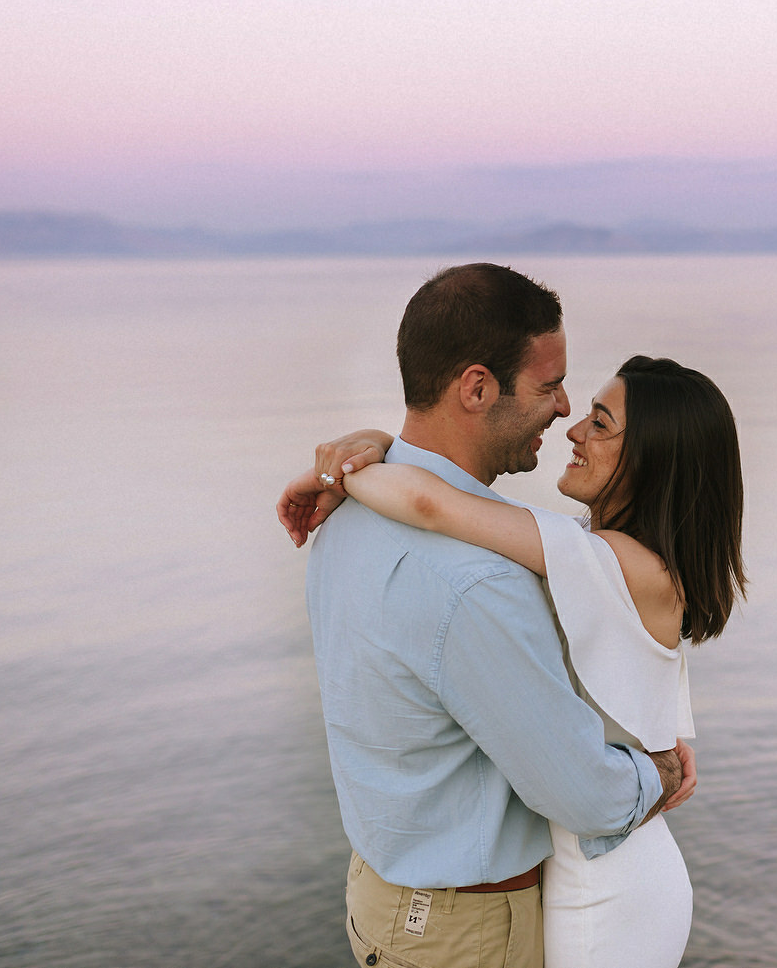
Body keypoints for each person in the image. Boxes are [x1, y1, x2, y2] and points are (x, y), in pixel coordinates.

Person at [278, 264, 746, 968]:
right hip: (458, 928)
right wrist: (662, 772)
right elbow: (587, 796)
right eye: (551, 386)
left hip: (381, 894)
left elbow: (440, 504)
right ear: (476, 387)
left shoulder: (344, 520)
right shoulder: (481, 584)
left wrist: (363, 457)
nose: (563, 413)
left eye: (591, 410)